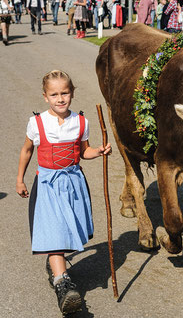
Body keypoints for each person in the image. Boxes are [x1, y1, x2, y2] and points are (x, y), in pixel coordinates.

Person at [15, 70, 111, 315]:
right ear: (45, 97)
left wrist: (99, 151)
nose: (60, 99)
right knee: (54, 232)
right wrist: (20, 180)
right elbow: (27, 151)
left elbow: (83, 152)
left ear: (72, 93)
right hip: (47, 183)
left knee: (68, 229)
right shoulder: (37, 123)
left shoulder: (81, 122)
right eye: (54, 94)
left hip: (73, 182)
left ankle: (56, 267)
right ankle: (63, 284)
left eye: (65, 93)